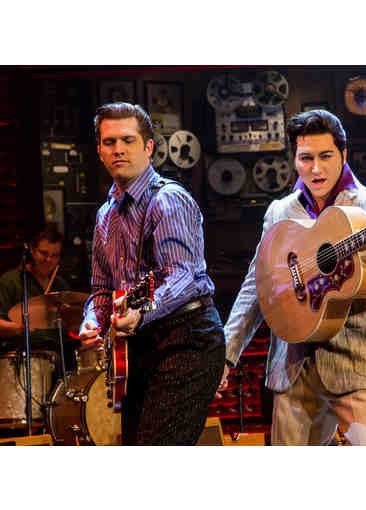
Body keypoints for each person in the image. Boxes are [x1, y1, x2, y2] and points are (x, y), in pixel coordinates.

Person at [220, 109, 366, 445]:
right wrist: (226, 354)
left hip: (360, 362)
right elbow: (256, 286)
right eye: (306, 158)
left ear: (344, 154)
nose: (315, 168)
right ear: (294, 159)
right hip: (293, 366)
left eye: (326, 156)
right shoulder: (280, 212)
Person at [78, 102, 226, 445]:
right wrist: (92, 321)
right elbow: (101, 289)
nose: (118, 149)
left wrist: (141, 310)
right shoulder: (105, 216)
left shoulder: (167, 200)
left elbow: (181, 275)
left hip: (186, 339)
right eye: (109, 142)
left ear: (148, 147)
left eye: (127, 140)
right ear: (99, 150)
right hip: (140, 346)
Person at [0, 225, 69, 343]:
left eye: (54, 255)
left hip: (57, 350)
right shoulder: (10, 281)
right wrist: (22, 328)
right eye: (44, 253)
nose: (48, 260)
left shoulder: (61, 285)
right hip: (21, 350)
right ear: (32, 250)